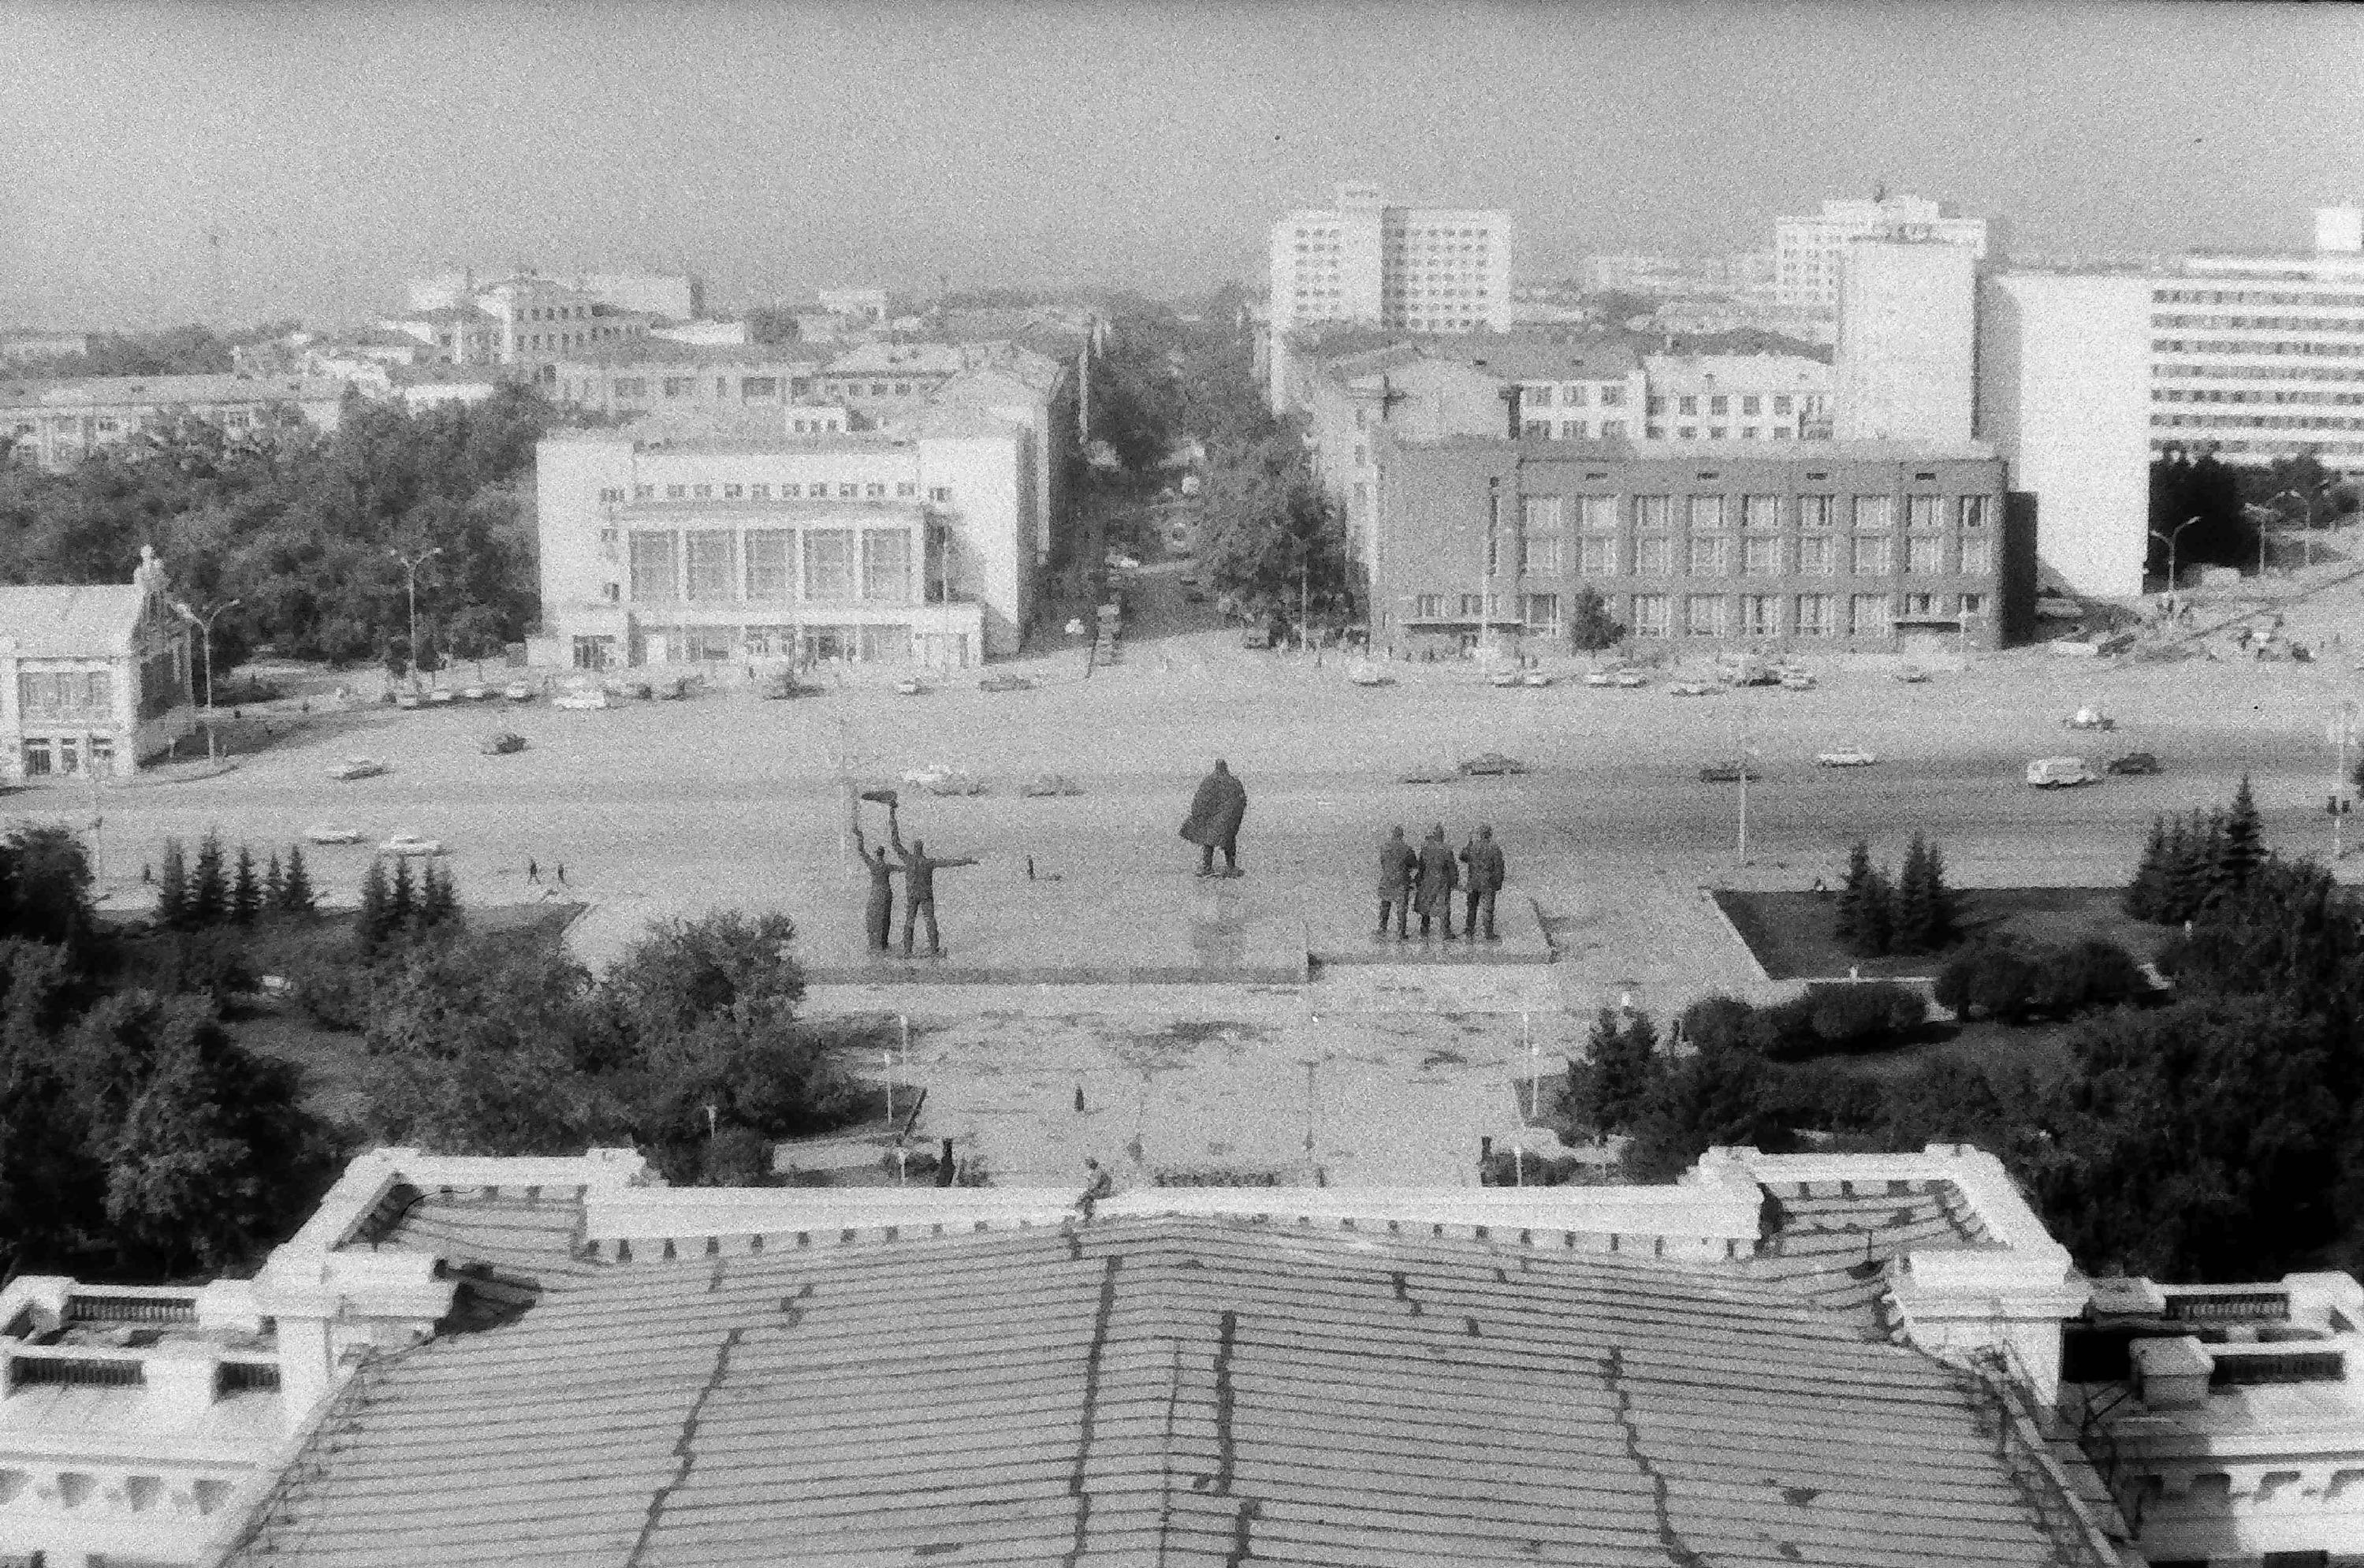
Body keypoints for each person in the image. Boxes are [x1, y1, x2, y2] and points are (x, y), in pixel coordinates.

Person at [890, 808, 979, 958]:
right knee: (930, 921)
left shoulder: (908, 859)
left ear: (914, 849)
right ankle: (933, 949)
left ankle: (907, 950)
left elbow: (895, 843)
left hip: (912, 895)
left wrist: (892, 816)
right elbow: (948, 863)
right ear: (922, 849)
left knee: (909, 921)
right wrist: (966, 861)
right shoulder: (928, 863)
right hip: (925, 895)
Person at [1179, 758, 1248, 878]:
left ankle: (1208, 868)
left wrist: (1198, 814)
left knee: (1209, 843)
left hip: (1215, 819)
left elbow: (1200, 800)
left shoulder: (1210, 781)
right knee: (1228, 842)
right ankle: (1230, 867)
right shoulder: (1233, 781)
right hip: (1227, 819)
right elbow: (1241, 800)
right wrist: (1235, 818)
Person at [851, 810, 906, 954]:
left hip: (876, 893)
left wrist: (860, 837)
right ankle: (882, 944)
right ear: (884, 854)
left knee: (874, 918)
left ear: (877, 854)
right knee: (885, 918)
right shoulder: (887, 866)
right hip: (886, 893)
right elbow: (903, 869)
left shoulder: (874, 865)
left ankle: (876, 945)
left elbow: (861, 851)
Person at [1458, 824, 1506, 942]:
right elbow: (1499, 867)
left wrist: (1468, 843)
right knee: (1488, 909)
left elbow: (1462, 857)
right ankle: (1488, 934)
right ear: (1490, 834)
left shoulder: (1473, 847)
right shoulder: (1494, 848)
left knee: (1471, 907)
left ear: (1480, 834)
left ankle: (1469, 930)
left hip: (1473, 881)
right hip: (1488, 882)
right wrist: (1498, 883)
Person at [1413, 824, 1458, 939]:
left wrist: (1418, 880)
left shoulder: (1426, 848)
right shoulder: (1446, 849)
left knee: (1426, 905)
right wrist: (1454, 882)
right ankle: (1445, 931)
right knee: (1444, 906)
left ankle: (1424, 930)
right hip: (1442, 881)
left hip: (1427, 880)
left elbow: (1421, 865)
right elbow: (1451, 867)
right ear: (1442, 835)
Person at [1376, 825, 1416, 939]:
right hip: (1401, 880)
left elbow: (1383, 862)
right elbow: (1413, 864)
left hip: (1387, 879)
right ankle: (1401, 932)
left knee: (1385, 905)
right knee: (1402, 908)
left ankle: (1382, 928)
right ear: (1402, 835)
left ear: (1393, 834)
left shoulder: (1385, 847)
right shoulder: (1407, 849)